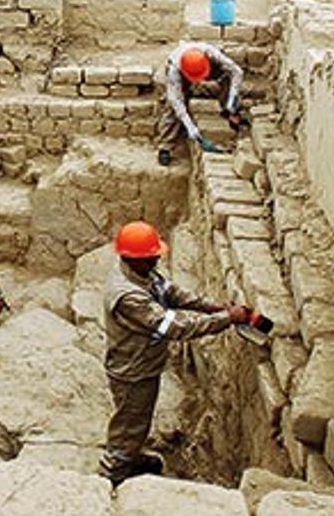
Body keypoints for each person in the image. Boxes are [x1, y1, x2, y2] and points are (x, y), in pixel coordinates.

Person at [101, 221, 250, 485]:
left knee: (136, 419)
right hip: (133, 371)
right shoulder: (128, 297)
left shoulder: (141, 271)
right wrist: (226, 319)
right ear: (134, 258)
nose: (157, 259)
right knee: (130, 423)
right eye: (152, 256)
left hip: (143, 363)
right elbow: (174, 326)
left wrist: (211, 306)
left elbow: (170, 292)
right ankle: (114, 472)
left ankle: (129, 455)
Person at [157, 41, 245, 165]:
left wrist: (232, 99)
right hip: (181, 75)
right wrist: (190, 127)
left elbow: (237, 72)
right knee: (172, 107)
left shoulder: (212, 54)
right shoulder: (174, 70)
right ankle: (165, 146)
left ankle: (230, 111)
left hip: (207, 68)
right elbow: (177, 101)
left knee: (227, 78)